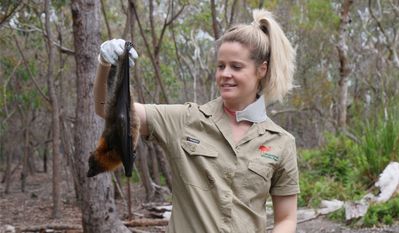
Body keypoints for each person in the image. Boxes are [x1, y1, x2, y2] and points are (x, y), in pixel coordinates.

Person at [94, 9, 299, 233]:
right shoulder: (186, 120)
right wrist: (106, 65)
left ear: (262, 69)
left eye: (236, 67)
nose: (225, 74)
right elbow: (107, 110)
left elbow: (286, 218)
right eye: (221, 66)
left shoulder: (281, 143)